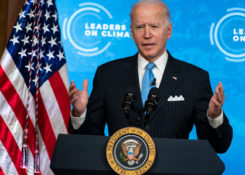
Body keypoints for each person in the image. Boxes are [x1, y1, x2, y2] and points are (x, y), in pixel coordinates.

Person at [69, 0, 232, 153]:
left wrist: (214, 117)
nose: (147, 34)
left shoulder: (195, 79)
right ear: (132, 33)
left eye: (154, 26)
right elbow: (88, 142)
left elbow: (219, 146)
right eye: (140, 27)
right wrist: (79, 114)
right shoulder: (108, 74)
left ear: (168, 31)